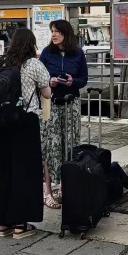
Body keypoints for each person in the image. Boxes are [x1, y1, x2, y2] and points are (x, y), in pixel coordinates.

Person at [0, 28, 52, 238]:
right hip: (25, 122)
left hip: (0, 123)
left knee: (2, 171)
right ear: (31, 44)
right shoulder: (34, 64)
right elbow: (47, 92)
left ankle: (2, 223)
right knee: (24, 172)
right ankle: (20, 224)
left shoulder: (0, 62)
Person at [39, 19, 88, 207]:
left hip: (71, 103)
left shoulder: (77, 54)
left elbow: (83, 79)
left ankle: (65, 186)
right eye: (52, 31)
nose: (54, 35)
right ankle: (48, 191)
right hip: (50, 104)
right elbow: (40, 76)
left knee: (70, 144)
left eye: (57, 31)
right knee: (51, 146)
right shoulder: (46, 53)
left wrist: (71, 81)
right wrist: (49, 81)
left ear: (66, 34)